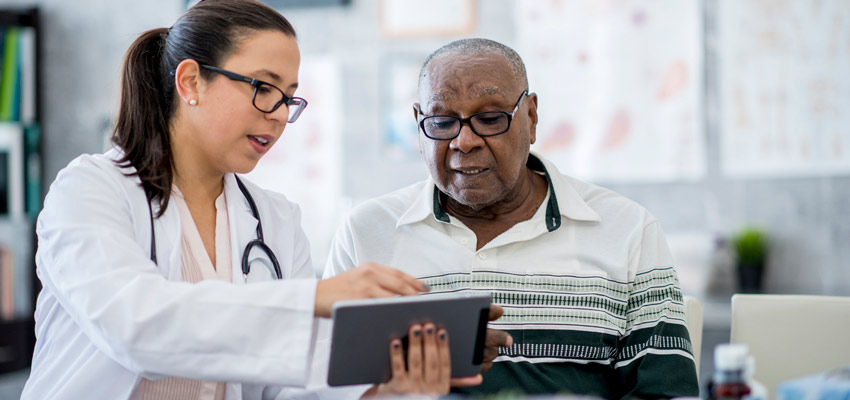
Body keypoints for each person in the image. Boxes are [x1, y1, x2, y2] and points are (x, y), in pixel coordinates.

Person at [21, 1, 474, 399]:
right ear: (191, 81)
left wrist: (384, 386)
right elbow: (135, 328)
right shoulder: (90, 190)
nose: (278, 116)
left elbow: (289, 388)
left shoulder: (275, 220)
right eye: (263, 88)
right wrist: (311, 297)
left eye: (290, 99)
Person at [324, 38, 700, 399]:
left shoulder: (627, 230)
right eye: (441, 122)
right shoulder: (366, 232)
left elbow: (663, 393)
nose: (464, 141)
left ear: (531, 117)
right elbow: (322, 388)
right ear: (419, 125)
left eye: (489, 119)